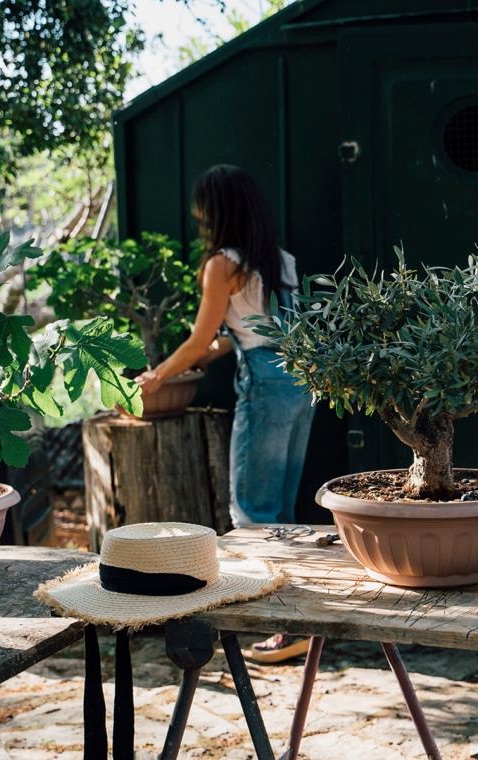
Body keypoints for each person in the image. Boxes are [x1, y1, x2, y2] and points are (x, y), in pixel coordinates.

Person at [135, 164, 314, 664]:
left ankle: (281, 622)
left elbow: (197, 339)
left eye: (202, 208)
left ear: (216, 210)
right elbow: (230, 334)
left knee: (252, 512)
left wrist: (157, 377)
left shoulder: (222, 264)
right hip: (301, 379)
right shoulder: (279, 259)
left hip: (263, 380)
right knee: (280, 510)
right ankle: (296, 623)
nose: (198, 216)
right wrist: (200, 356)